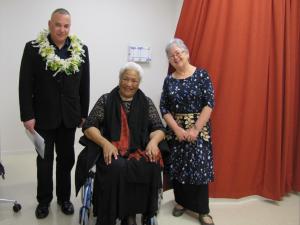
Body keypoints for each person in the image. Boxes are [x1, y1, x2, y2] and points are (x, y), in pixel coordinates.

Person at [19, 8, 90, 219]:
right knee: (44, 160)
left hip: (69, 116)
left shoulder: (81, 49)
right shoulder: (33, 48)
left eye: (66, 25)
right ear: (50, 24)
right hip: (42, 116)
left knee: (66, 159)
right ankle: (43, 200)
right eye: (58, 24)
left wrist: (83, 113)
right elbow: (24, 84)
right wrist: (27, 115)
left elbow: (84, 85)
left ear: (70, 27)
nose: (62, 29)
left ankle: (64, 198)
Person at [82, 62, 166, 225]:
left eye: (134, 81)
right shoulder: (106, 100)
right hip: (111, 148)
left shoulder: (146, 102)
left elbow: (159, 127)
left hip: (138, 149)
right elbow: (89, 126)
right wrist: (105, 143)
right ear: (119, 79)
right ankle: (110, 214)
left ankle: (131, 214)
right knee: (117, 166)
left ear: (139, 82)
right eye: (125, 79)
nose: (129, 84)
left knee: (149, 165)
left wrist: (154, 142)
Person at [160, 38, 215, 225]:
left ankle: (202, 211)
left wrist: (195, 129)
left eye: (179, 52)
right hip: (176, 132)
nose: (176, 57)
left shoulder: (202, 75)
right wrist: (176, 129)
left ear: (187, 53)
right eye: (171, 55)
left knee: (199, 168)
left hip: (198, 130)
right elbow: (164, 107)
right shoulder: (169, 80)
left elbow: (209, 103)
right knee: (178, 167)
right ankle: (181, 202)